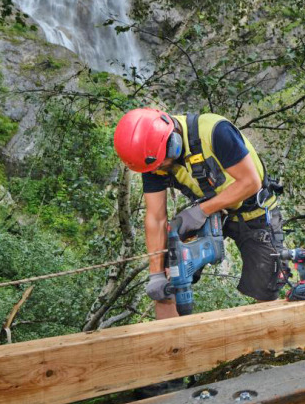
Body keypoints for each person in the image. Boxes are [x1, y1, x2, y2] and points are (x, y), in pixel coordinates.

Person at [112, 108, 286, 318]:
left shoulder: (215, 131)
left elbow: (250, 182)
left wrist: (200, 211)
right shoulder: (151, 160)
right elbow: (155, 218)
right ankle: (171, 345)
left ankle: (268, 345)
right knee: (171, 277)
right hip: (214, 214)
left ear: (172, 142)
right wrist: (156, 274)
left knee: (265, 284)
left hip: (253, 213)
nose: (161, 170)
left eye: (163, 163)